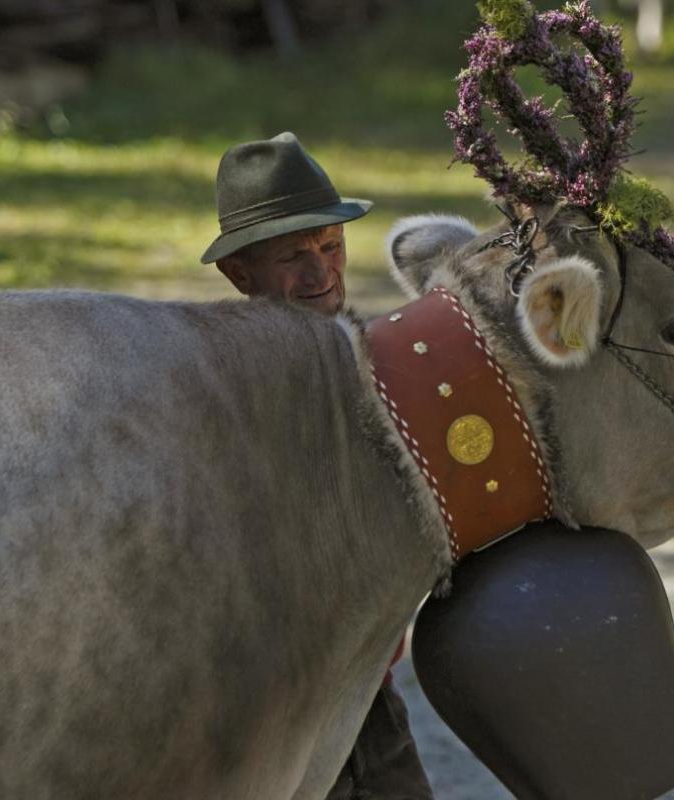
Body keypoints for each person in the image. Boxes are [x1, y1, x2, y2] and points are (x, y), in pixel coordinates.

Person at [202, 132, 435, 800]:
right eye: (292, 257)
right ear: (238, 275)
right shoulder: (223, 390)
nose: (321, 274)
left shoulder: (374, 362)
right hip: (267, 709)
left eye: (330, 247)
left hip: (366, 696)